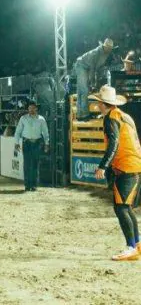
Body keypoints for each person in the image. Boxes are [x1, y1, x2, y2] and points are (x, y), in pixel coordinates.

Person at [90, 85, 141, 261]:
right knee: (126, 207)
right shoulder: (124, 116)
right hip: (134, 164)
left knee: (120, 208)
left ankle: (131, 247)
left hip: (126, 167)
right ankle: (137, 244)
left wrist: (103, 166)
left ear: (104, 104)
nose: (97, 106)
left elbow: (114, 144)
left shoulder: (111, 119)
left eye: (98, 103)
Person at [73, 38, 116, 121]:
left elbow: (97, 68)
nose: (110, 50)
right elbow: (93, 69)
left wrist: (96, 83)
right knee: (84, 90)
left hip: (87, 67)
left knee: (81, 91)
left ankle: (80, 114)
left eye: (111, 48)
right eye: (109, 48)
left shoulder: (106, 53)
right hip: (81, 65)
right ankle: (84, 115)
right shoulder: (96, 53)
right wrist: (93, 84)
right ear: (105, 47)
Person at [14, 100, 50, 192]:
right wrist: (16, 143)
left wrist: (46, 144)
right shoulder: (23, 118)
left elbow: (45, 133)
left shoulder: (41, 119)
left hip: (37, 143)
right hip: (26, 143)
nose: (31, 110)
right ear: (28, 109)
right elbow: (18, 131)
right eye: (30, 108)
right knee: (27, 164)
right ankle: (27, 185)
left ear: (36, 108)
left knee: (35, 164)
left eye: (33, 108)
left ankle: (33, 185)